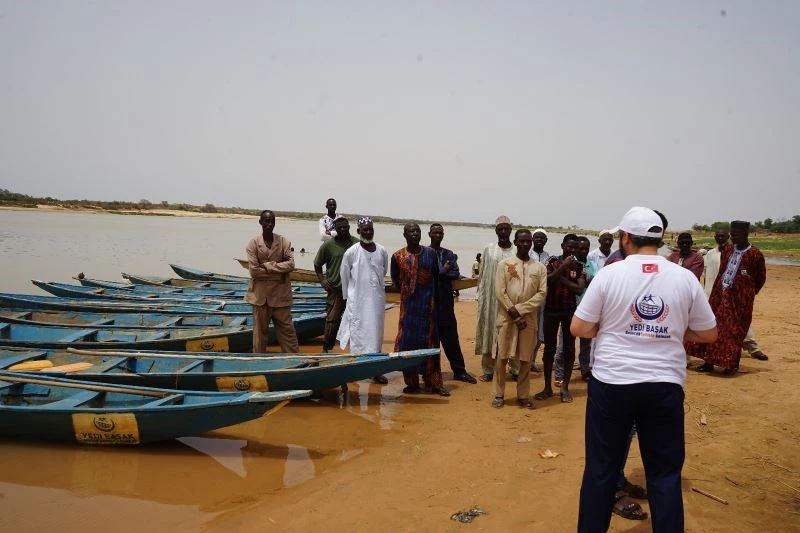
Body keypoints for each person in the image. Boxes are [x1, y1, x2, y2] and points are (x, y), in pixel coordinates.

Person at [571, 206, 717, 533]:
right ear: (660, 239)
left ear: (625, 238)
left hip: (612, 384)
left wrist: (611, 330)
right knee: (664, 474)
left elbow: (579, 327)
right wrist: (673, 331)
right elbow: (709, 333)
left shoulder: (611, 274)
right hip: (663, 385)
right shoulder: (683, 277)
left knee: (600, 470)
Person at [692, 220, 767, 375]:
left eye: (737, 235)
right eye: (732, 235)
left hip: (740, 302)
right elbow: (722, 272)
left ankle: (730, 365)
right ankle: (708, 362)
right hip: (719, 296)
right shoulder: (727, 250)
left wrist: (746, 295)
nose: (733, 238)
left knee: (733, 332)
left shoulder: (755, 254)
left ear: (746, 234)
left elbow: (760, 279)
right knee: (712, 328)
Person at [491, 229, 547, 409]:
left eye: (528, 241)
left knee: (525, 358)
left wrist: (521, 310)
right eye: (521, 241)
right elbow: (500, 292)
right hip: (507, 317)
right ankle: (499, 394)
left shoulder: (539, 267)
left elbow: (542, 293)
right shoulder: (504, 264)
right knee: (502, 357)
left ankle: (523, 396)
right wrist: (513, 312)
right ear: (515, 242)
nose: (525, 244)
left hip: (528, 320)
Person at [391, 223, 449, 396]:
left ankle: (434, 383)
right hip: (408, 311)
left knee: (431, 342)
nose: (415, 234)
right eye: (411, 231)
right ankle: (412, 382)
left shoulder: (430, 254)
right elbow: (395, 281)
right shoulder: (397, 256)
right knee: (407, 342)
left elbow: (436, 277)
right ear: (405, 235)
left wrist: (437, 304)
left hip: (428, 309)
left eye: (417, 231)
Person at [338, 216, 390, 384]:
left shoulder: (382, 250)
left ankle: (376, 370)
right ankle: (357, 369)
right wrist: (349, 299)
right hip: (358, 302)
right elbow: (344, 277)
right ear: (359, 231)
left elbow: (383, 273)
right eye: (365, 230)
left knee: (376, 335)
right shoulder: (351, 252)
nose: (368, 232)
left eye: (371, 229)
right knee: (358, 334)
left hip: (376, 301)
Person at [536, 234, 585, 403]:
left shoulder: (579, 266)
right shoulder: (552, 261)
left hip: (569, 311)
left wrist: (561, 277)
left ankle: (564, 388)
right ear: (563, 245)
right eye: (569, 247)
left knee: (569, 349)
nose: (572, 250)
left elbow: (579, 289)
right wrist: (563, 267)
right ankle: (547, 387)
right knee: (549, 349)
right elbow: (546, 281)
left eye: (575, 248)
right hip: (551, 310)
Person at [244, 210, 299, 353]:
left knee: (288, 334)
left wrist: (269, 266)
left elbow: (291, 265)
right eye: (266, 221)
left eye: (272, 221)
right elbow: (254, 271)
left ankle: (294, 362)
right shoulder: (253, 243)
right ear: (260, 222)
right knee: (259, 336)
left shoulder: (283, 242)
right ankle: (259, 364)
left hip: (280, 296)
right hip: (260, 297)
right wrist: (279, 272)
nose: (269, 224)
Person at [429, 224, 477, 384]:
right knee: (431, 342)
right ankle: (431, 374)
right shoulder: (425, 253)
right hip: (429, 304)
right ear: (429, 234)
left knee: (451, 340)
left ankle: (459, 371)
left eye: (440, 233)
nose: (438, 235)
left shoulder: (448, 253)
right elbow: (427, 275)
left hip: (446, 304)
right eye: (435, 232)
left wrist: (441, 272)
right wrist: (443, 271)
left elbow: (455, 273)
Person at [475, 216, 519, 382]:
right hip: (491, 300)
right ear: (496, 231)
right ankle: (488, 369)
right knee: (489, 332)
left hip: (512, 299)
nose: (503, 232)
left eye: (506, 229)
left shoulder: (517, 250)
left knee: (512, 332)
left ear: (510, 230)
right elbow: (483, 273)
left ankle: (515, 368)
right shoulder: (488, 249)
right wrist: (480, 295)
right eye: (500, 229)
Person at [314, 216, 358, 353]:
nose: (343, 229)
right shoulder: (328, 245)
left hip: (353, 289)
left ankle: (356, 349)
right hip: (336, 288)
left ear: (349, 227)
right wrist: (322, 280)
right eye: (340, 228)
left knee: (356, 320)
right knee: (332, 320)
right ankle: (326, 348)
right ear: (335, 229)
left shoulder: (357, 244)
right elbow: (317, 265)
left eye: (345, 227)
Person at [529, 228, 551, 372]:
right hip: (528, 297)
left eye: (542, 238)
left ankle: (531, 361)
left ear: (545, 241)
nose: (539, 240)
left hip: (543, 299)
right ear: (532, 239)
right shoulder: (527, 254)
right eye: (536, 237)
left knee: (539, 332)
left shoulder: (548, 257)